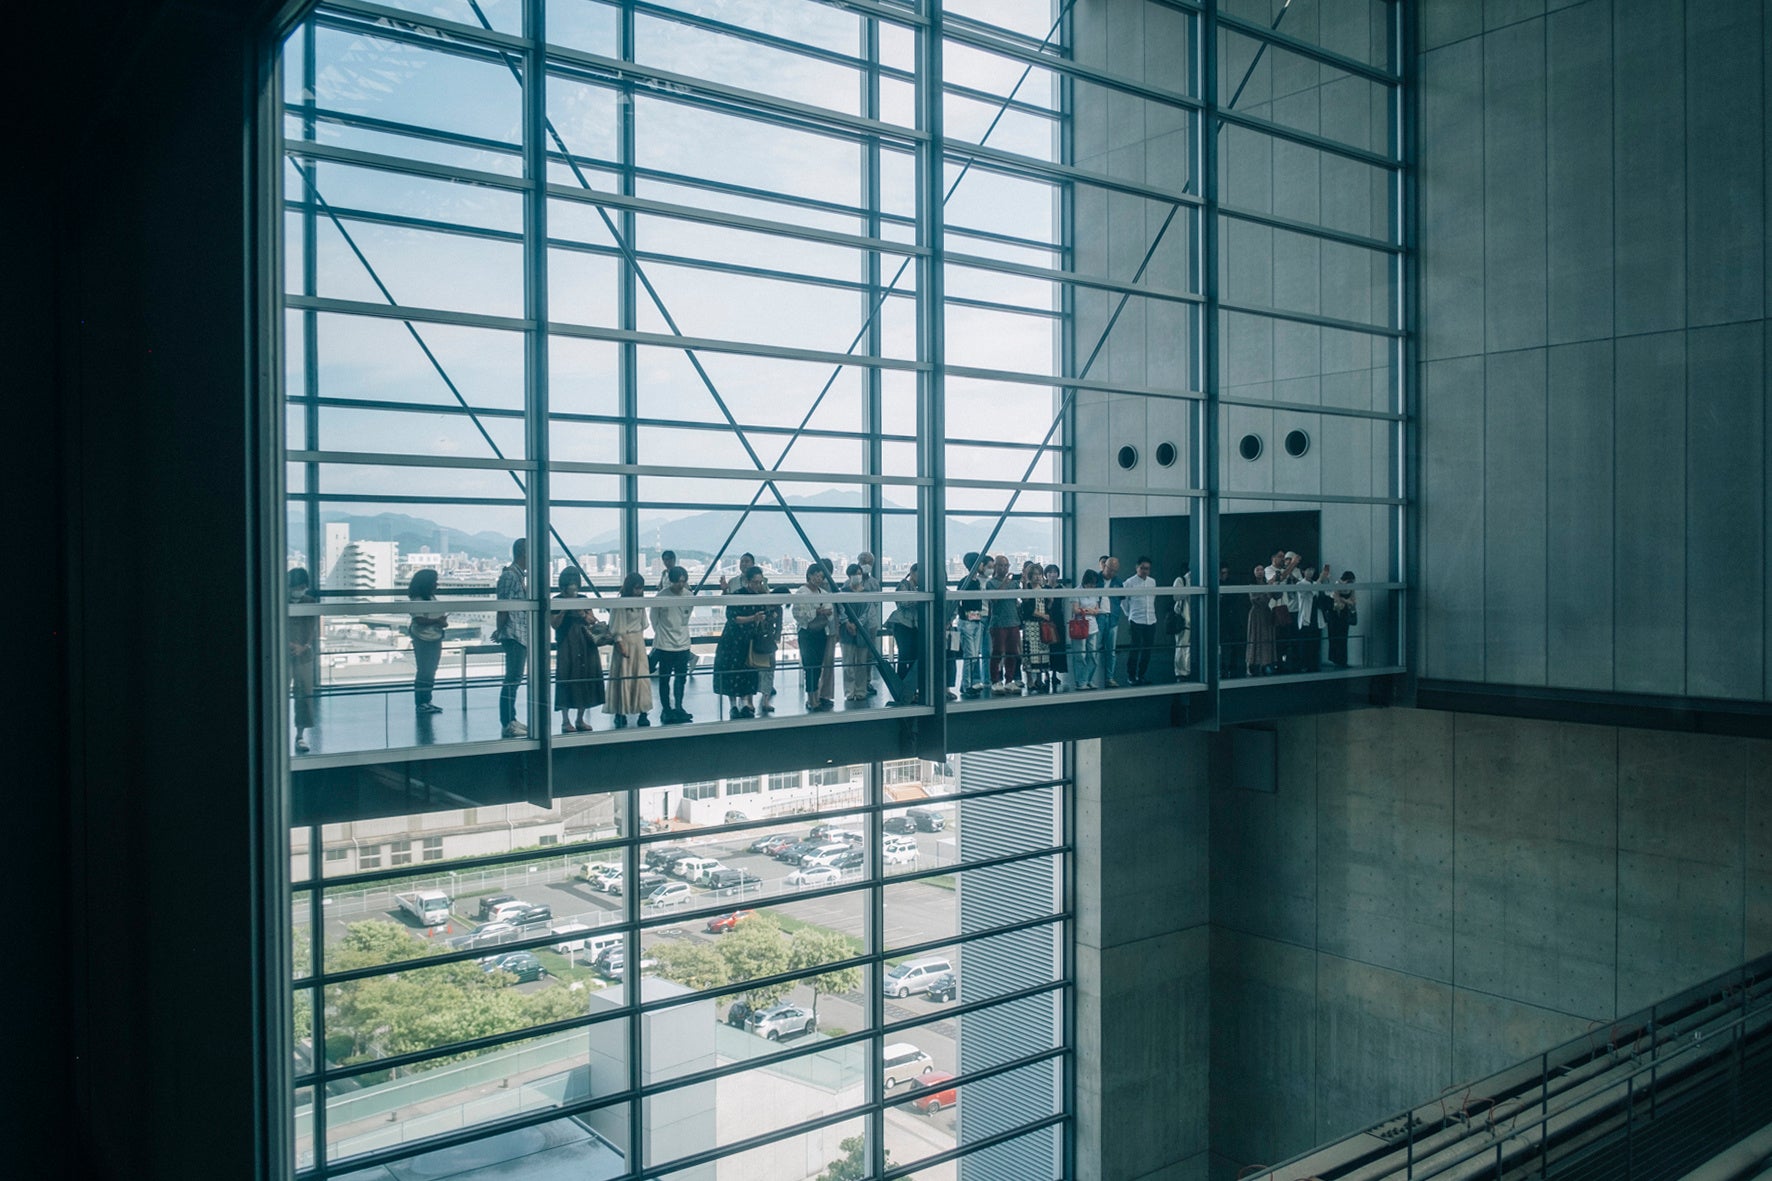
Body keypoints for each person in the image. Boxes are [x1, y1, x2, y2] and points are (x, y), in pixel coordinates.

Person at [551, 566, 605, 733]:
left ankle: (580, 719)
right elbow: (554, 624)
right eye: (570, 586)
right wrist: (564, 610)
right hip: (567, 643)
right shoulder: (556, 600)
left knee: (585, 677)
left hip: (584, 641)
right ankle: (565, 721)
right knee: (566, 677)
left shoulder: (583, 598)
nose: (573, 589)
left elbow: (592, 620)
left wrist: (582, 613)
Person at [713, 567, 769, 717]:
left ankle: (744, 703)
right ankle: (733, 705)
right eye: (755, 582)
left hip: (747, 640)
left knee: (747, 672)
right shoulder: (738, 595)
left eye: (760, 582)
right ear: (748, 581)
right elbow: (733, 618)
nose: (758, 585)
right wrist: (753, 618)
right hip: (733, 640)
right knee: (733, 672)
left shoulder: (760, 597)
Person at [603, 572, 653, 728]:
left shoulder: (638, 602)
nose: (639, 591)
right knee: (624, 676)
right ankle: (621, 712)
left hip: (637, 641)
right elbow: (616, 628)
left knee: (640, 678)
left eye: (641, 588)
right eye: (637, 588)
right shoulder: (622, 603)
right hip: (626, 641)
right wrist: (619, 643)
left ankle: (641, 711)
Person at [494, 538, 530, 738]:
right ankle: (507, 722)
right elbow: (504, 606)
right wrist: (500, 630)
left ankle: (511, 719)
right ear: (524, 553)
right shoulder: (510, 576)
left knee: (514, 678)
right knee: (512, 678)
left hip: (518, 633)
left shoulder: (517, 575)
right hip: (514, 633)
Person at [650, 565, 694, 724]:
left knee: (680, 678)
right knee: (665, 679)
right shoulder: (662, 596)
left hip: (682, 643)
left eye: (683, 582)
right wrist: (660, 633)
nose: (680, 585)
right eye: (678, 582)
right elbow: (653, 617)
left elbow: (686, 618)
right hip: (665, 644)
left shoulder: (689, 596)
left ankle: (679, 707)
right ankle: (666, 709)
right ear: (671, 581)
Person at [792, 564, 837, 712]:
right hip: (807, 634)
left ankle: (815, 696)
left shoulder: (823, 592)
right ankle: (811, 698)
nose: (819, 579)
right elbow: (799, 614)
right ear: (809, 575)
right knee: (809, 665)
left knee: (817, 666)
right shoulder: (801, 592)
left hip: (820, 633)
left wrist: (820, 613)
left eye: (821, 576)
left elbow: (829, 612)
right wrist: (817, 612)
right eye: (816, 575)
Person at [407, 568, 448, 717]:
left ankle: (425, 702)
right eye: (434, 581)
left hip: (432, 636)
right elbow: (418, 619)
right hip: (425, 638)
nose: (436, 584)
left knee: (428, 671)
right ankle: (422, 702)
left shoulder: (428, 598)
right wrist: (438, 621)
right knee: (426, 671)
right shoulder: (419, 600)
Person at [288, 567, 318, 754]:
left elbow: (312, 629)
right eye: (296, 586)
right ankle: (276, 732)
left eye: (302, 586)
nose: (300, 590)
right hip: (282, 655)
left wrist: (303, 646)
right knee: (277, 695)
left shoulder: (310, 602)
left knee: (305, 695)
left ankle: (300, 736)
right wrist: (289, 645)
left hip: (304, 655)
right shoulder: (278, 599)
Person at [838, 563, 878, 704]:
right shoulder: (843, 591)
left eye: (859, 573)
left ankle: (861, 691)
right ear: (849, 576)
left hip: (863, 631)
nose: (858, 576)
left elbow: (867, 611)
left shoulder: (866, 592)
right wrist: (847, 623)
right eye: (855, 574)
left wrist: (858, 624)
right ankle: (849, 692)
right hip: (846, 631)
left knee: (861, 662)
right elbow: (841, 609)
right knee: (848, 662)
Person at [955, 552, 990, 698]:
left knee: (973, 655)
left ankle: (967, 684)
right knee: (971, 654)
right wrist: (978, 616)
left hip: (973, 621)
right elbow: (964, 607)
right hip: (969, 622)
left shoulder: (970, 581)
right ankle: (966, 685)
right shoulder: (970, 582)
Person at [886, 563, 922, 705]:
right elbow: (903, 602)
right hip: (903, 625)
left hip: (913, 625)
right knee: (904, 655)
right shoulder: (904, 585)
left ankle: (910, 689)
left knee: (912, 656)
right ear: (912, 572)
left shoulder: (918, 587)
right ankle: (902, 687)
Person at [987, 554, 1021, 694]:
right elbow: (994, 599)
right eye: (1000, 565)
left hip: (1013, 621)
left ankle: (1009, 680)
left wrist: (1024, 582)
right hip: (998, 623)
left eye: (1006, 565)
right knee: (997, 652)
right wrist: (1005, 583)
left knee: (1012, 652)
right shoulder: (991, 583)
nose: (1003, 568)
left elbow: (1022, 598)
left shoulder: (1014, 584)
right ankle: (995, 681)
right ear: (995, 567)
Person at [1123, 556, 1158, 684]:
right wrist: (1129, 614)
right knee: (1135, 649)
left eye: (1147, 569)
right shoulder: (1129, 582)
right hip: (1136, 620)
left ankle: (1142, 675)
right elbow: (1124, 601)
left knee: (1147, 650)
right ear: (1137, 567)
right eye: (1142, 568)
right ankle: (1131, 676)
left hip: (1151, 619)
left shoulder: (1152, 582)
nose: (1145, 571)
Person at [1019, 565, 1053, 693]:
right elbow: (1027, 608)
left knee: (1043, 653)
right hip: (1031, 624)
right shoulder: (1027, 589)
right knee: (1030, 652)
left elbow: (1049, 608)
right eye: (1035, 574)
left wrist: (1050, 602)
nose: (1038, 577)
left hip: (1043, 625)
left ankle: (1040, 679)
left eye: (1039, 574)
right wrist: (1043, 615)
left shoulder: (1044, 589)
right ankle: (1029, 680)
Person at [1070, 569, 1105, 690]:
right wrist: (1088, 611)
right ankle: (1080, 681)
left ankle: (1088, 679)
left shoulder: (1094, 592)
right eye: (1090, 583)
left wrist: (1090, 611)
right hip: (1080, 626)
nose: (1092, 586)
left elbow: (1097, 609)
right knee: (1080, 655)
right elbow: (1075, 609)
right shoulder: (1076, 591)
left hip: (1093, 626)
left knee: (1093, 655)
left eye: (1094, 584)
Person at [1246, 565, 1277, 676]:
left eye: (1262, 570)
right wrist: (1268, 589)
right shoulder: (1252, 585)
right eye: (1257, 570)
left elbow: (1277, 596)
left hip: (1266, 613)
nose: (1260, 572)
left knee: (1266, 638)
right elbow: (1255, 599)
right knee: (1255, 637)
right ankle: (1253, 663)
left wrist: (1276, 585)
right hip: (1256, 613)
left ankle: (1266, 663)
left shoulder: (1267, 583)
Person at [1044, 564, 1070, 691]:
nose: (1052, 575)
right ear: (1046, 575)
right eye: (1050, 572)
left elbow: (1065, 607)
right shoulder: (1043, 589)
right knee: (1047, 646)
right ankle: (1046, 674)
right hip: (1047, 620)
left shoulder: (1062, 588)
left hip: (1059, 621)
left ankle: (1055, 673)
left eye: (1055, 572)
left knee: (1058, 646)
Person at [1099, 555, 1123, 686]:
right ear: (1104, 566)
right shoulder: (1095, 578)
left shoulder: (1118, 582)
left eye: (1115, 570)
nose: (1112, 573)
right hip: (1098, 616)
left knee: (1111, 650)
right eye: (1110, 569)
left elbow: (1122, 599)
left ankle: (1109, 677)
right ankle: (1090, 678)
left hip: (1113, 617)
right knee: (1094, 649)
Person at [1326, 569, 1357, 667]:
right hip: (1334, 614)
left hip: (1344, 613)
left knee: (1344, 637)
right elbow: (1336, 603)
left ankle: (1343, 660)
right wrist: (1345, 601)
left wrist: (1343, 600)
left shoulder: (1351, 588)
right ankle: (1336, 659)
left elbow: (1353, 601)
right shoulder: (1337, 585)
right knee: (1334, 636)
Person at [1170, 570, 1192, 680]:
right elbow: (1176, 596)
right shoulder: (1181, 580)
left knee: (1191, 648)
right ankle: (1180, 672)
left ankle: (1189, 669)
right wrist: (1191, 589)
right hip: (1184, 619)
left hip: (1196, 619)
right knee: (1182, 646)